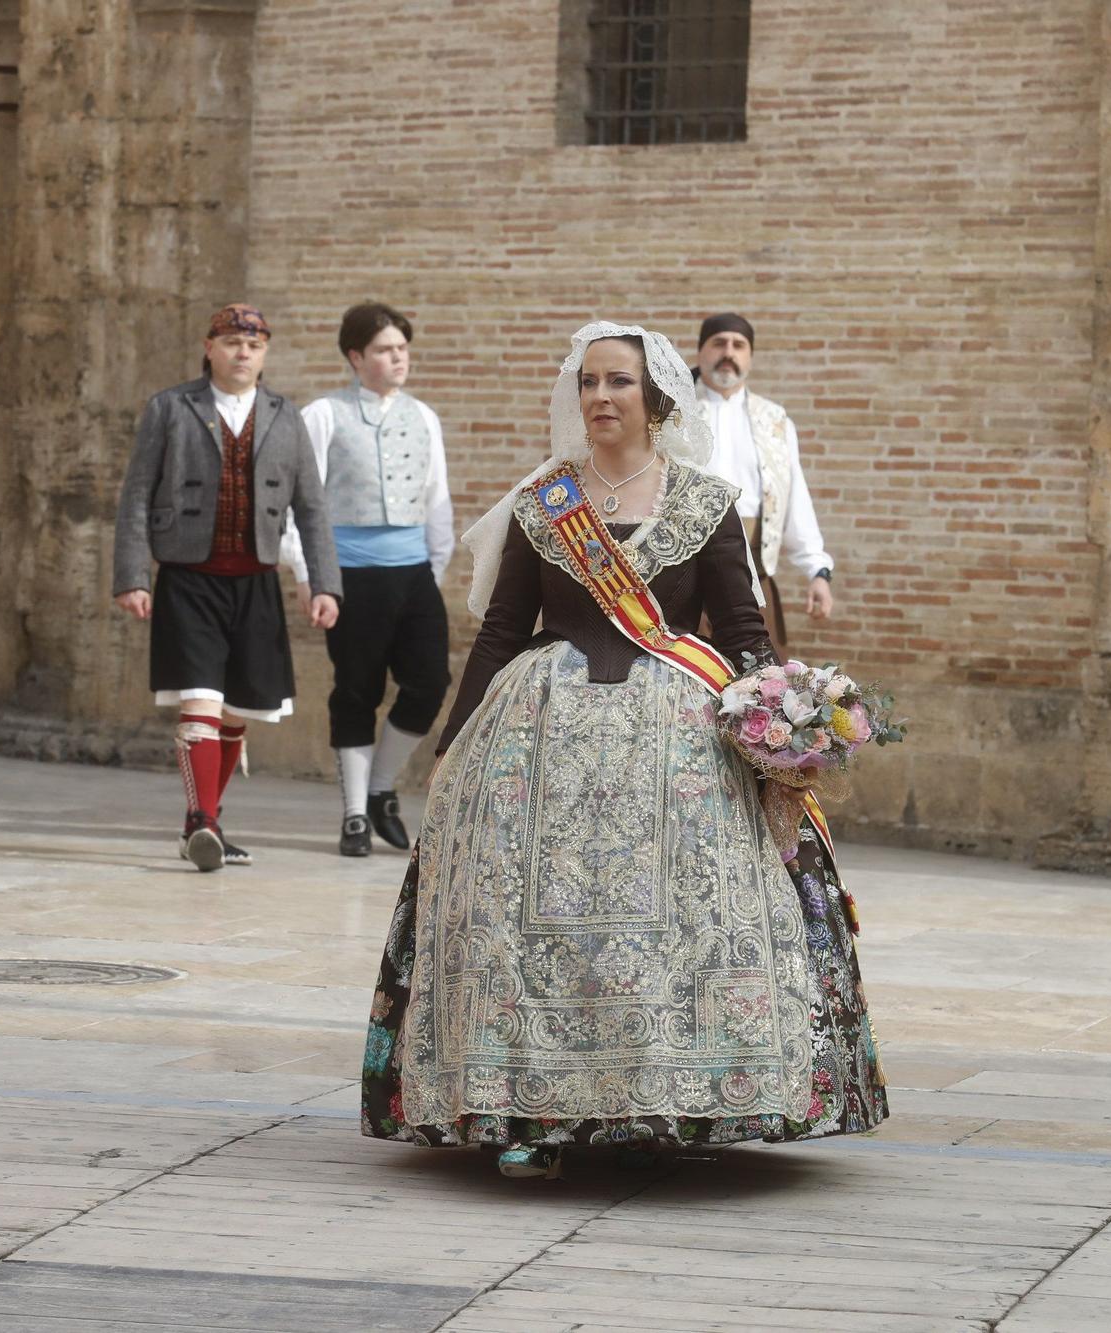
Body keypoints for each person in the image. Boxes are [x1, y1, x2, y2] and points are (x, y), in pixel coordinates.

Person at [360, 322, 887, 1179]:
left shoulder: (707, 503)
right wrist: (453, 746)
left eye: (620, 383)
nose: (601, 397)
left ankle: (668, 1102)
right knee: (516, 922)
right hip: (538, 739)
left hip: (679, 746)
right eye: (589, 383)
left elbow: (745, 632)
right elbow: (499, 634)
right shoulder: (546, 504)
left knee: (683, 924)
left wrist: (788, 722)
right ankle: (521, 1110)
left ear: (657, 399)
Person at [113, 303, 342, 872]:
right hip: (188, 579)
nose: (243, 352)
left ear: (264, 353)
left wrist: (323, 585)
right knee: (200, 707)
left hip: (256, 583)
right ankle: (202, 822)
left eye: (254, 344)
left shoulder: (284, 416)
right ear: (209, 346)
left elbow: (311, 509)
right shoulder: (170, 407)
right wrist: (132, 575)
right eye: (232, 342)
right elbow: (136, 495)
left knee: (239, 712)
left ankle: (206, 819)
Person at [288, 303, 453, 858]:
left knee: (429, 683)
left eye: (402, 348)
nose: (398, 358)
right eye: (385, 349)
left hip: (412, 576)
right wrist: (314, 579)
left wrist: (432, 569)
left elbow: (437, 500)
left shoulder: (424, 416)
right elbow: (300, 506)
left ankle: (383, 787)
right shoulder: (323, 415)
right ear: (356, 356)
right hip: (349, 576)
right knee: (356, 688)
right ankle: (355, 813)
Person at [692, 313, 837, 647]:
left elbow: (794, 495)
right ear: (700, 353)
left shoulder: (775, 420)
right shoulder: (673, 414)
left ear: (750, 357)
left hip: (754, 575)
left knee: (759, 690)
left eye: (738, 345)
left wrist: (817, 570)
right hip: (685, 579)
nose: (728, 352)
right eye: (719, 343)